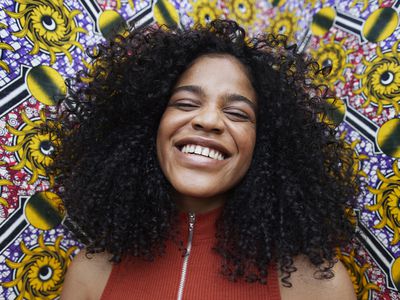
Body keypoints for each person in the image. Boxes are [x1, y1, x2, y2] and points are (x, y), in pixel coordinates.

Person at [53, 20, 358, 299]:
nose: (209, 119)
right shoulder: (90, 274)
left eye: (238, 113)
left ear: (265, 144)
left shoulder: (318, 287)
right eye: (186, 103)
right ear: (149, 126)